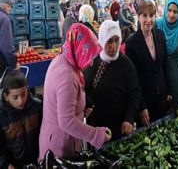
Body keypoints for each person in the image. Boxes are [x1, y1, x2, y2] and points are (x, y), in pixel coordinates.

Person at [39, 23, 111, 159]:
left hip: (55, 137)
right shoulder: (67, 76)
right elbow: (66, 121)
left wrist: (80, 111)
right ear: (78, 50)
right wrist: (96, 134)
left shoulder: (62, 61)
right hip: (59, 147)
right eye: (88, 56)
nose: (90, 63)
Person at [84, 20, 141, 139]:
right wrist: (85, 105)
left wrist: (129, 119)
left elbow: (135, 93)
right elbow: (84, 89)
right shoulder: (93, 61)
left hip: (118, 128)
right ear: (102, 40)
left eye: (117, 40)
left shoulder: (125, 64)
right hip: (96, 128)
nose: (114, 46)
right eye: (109, 41)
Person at [126, 0, 172, 125]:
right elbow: (133, 79)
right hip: (145, 99)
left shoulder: (160, 35)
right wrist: (141, 106)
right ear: (138, 17)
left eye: (151, 16)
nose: (148, 20)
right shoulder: (132, 43)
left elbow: (165, 65)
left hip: (161, 97)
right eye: (144, 16)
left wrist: (169, 91)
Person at [0, 71, 42, 169]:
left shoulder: (37, 107)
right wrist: (6, 165)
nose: (21, 101)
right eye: (15, 97)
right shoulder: (1, 116)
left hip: (37, 162)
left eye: (24, 94)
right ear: (6, 96)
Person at [0, 0, 17, 76]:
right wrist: (13, 62)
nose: (11, 9)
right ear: (6, 6)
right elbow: (6, 45)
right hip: (2, 61)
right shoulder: (4, 18)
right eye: (11, 7)